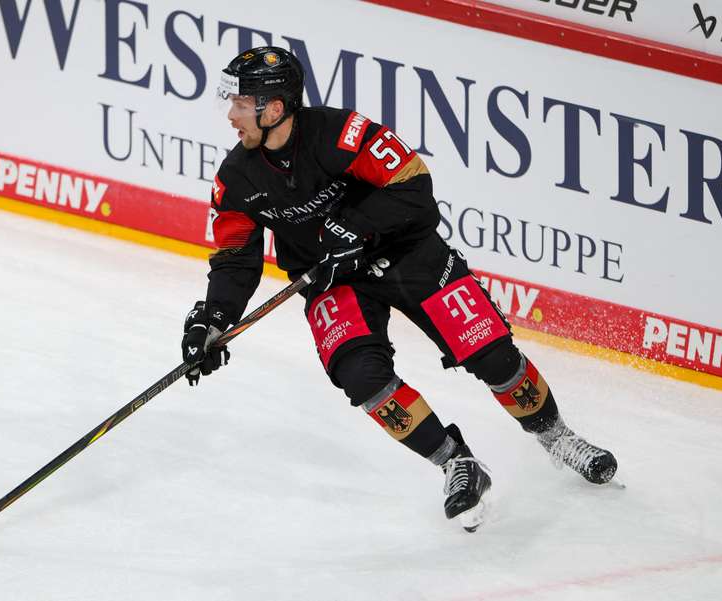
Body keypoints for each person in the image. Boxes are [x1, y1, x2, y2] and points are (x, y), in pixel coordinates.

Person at [181, 46, 617, 530]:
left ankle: (557, 438)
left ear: (275, 108)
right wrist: (214, 320)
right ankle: (456, 463)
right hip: (333, 280)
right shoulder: (236, 179)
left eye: (241, 104)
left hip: (408, 252)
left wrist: (356, 228)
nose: (231, 115)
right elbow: (235, 260)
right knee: (361, 376)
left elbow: (414, 186)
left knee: (492, 354)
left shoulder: (342, 134)